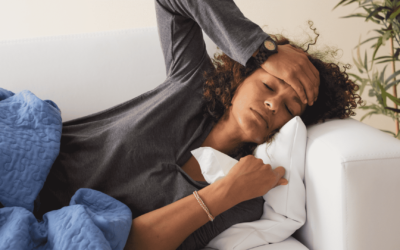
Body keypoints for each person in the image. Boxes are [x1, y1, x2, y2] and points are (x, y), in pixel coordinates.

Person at [35, 0, 362, 249]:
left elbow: (133, 244)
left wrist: (225, 192)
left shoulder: (246, 193)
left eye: (290, 108)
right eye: (268, 86)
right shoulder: (191, 81)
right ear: (243, 76)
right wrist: (261, 47)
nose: (272, 104)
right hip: (28, 168)